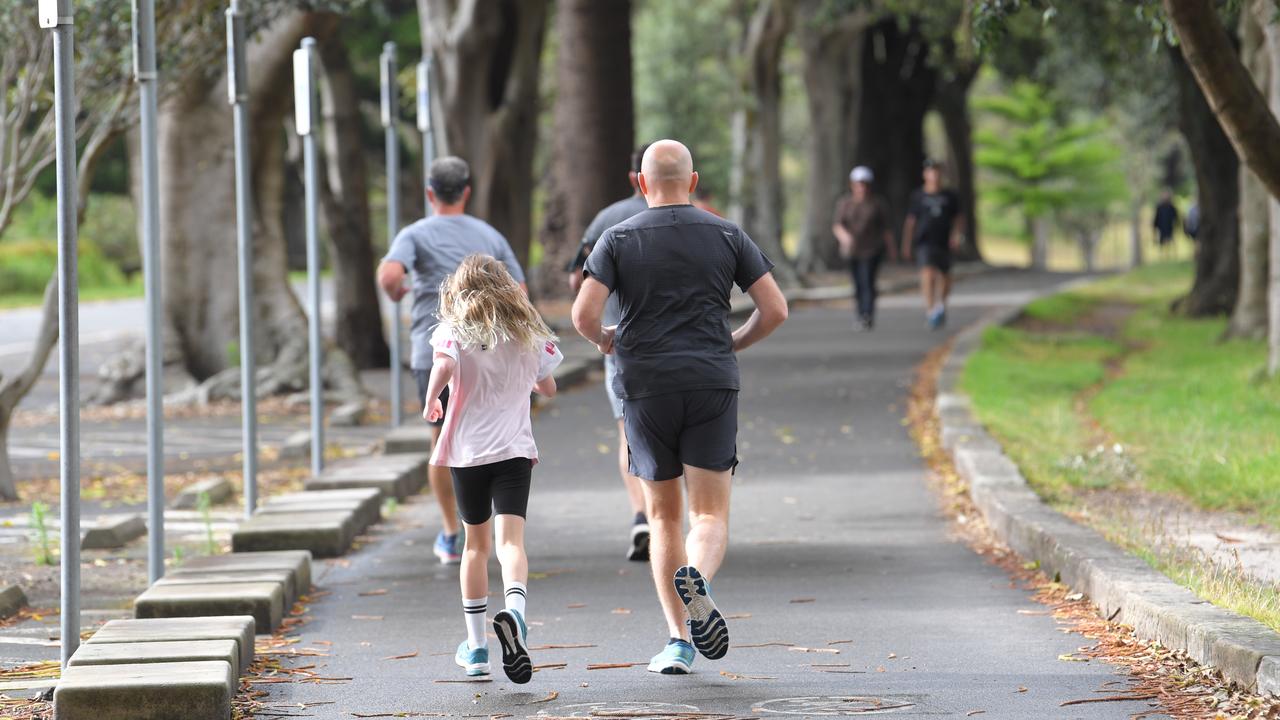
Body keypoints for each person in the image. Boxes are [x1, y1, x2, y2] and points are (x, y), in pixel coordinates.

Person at [572, 139, 788, 675]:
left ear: (642, 184)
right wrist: (732, 341)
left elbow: (582, 314)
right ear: (693, 182)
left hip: (645, 385)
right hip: (711, 379)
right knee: (710, 512)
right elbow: (775, 309)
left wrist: (605, 340)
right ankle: (700, 579)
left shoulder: (616, 238)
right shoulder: (726, 233)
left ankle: (677, 642)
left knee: (663, 514)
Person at [377, 156, 527, 566]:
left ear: (430, 193)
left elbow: (390, 277)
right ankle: (498, 533)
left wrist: (402, 292)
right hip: (491, 354)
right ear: (466, 192)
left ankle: (452, 531)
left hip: (434, 351)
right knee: (494, 434)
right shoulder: (489, 236)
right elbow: (520, 290)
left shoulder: (414, 234)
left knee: (443, 440)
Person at [422, 254, 562, 683]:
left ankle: (478, 649)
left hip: (468, 453)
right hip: (515, 451)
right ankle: (515, 614)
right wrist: (530, 379)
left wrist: (432, 399)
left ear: (460, 289)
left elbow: (444, 365)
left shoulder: (454, 330)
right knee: (511, 544)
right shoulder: (527, 331)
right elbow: (549, 387)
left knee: (474, 547)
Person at [566, 144, 652, 562]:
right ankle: (667, 517)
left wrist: (601, 329)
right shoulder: (701, 220)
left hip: (621, 340)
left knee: (628, 431)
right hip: (681, 344)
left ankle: (642, 514)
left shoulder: (607, 220)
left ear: (633, 176)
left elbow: (574, 278)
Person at [902, 159, 963, 330]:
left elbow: (958, 219)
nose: (934, 175)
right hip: (925, 242)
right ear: (925, 174)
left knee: (945, 277)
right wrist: (906, 243)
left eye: (937, 172)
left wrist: (957, 236)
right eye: (930, 171)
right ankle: (930, 311)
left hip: (944, 242)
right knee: (928, 274)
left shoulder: (950, 196)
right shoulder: (918, 196)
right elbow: (911, 221)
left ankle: (941, 305)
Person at [832, 166, 894, 331]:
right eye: (858, 184)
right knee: (858, 283)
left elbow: (886, 229)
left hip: (872, 249)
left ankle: (868, 314)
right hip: (852, 251)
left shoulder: (877, 203)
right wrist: (845, 237)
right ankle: (860, 313)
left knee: (868, 281)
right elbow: (837, 225)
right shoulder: (845, 203)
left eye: (864, 184)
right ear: (852, 185)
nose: (861, 187)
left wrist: (892, 249)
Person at [1153, 190, 1178, 256]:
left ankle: (1173, 254)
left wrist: (1175, 224)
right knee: (1162, 241)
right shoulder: (1160, 207)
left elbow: (1175, 216)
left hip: (1169, 226)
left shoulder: (1171, 206)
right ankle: (1163, 255)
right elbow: (1157, 217)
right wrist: (1155, 226)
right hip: (1162, 226)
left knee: (1171, 239)